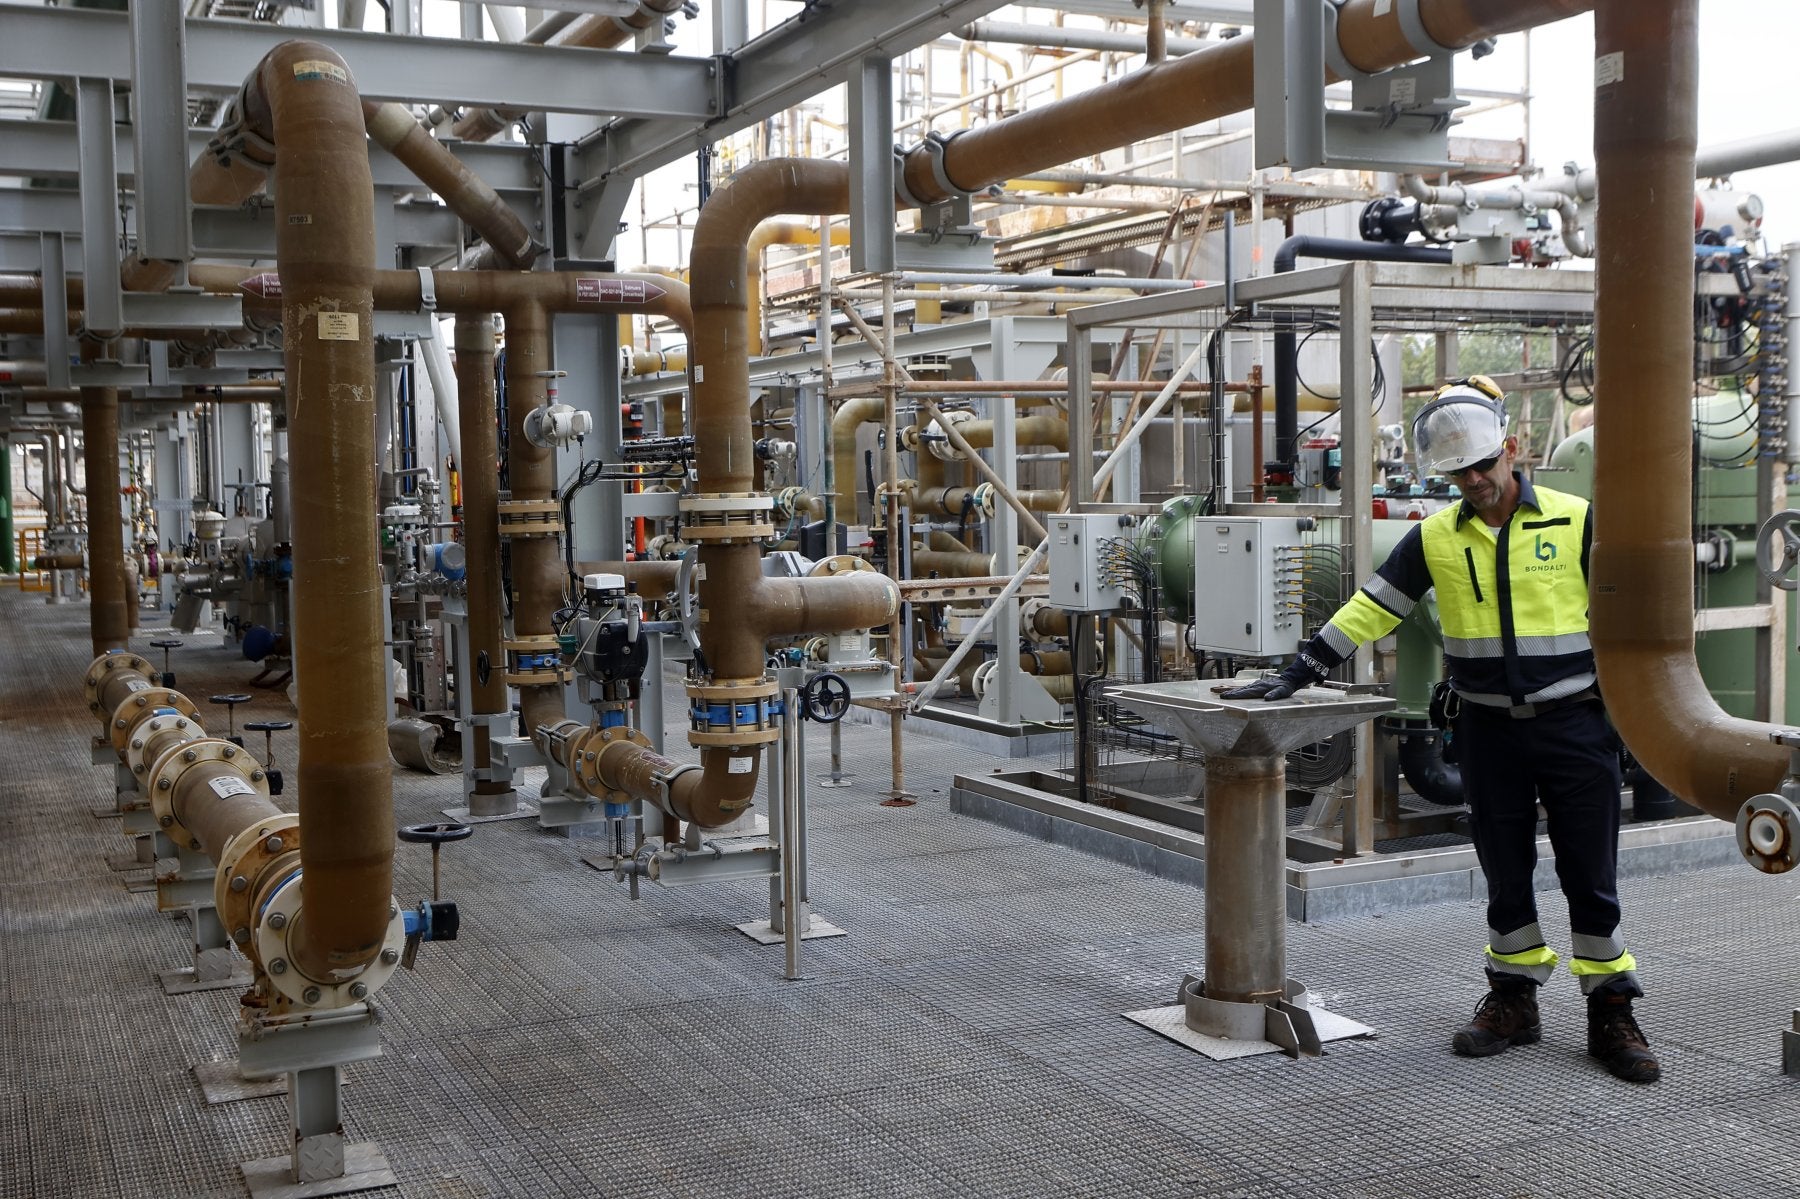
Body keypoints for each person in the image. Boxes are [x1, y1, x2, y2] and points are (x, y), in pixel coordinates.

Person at [1222, 376, 1659, 1084]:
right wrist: (1300, 668)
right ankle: (1514, 999)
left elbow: (1634, 613)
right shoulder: (1434, 537)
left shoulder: (1576, 520)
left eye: (1485, 465)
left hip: (1575, 725)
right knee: (1504, 867)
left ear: (1511, 450)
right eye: (1461, 472)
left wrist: (1639, 707)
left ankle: (1611, 1009)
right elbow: (1375, 606)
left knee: (1591, 870)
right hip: (1486, 732)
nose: (1476, 481)